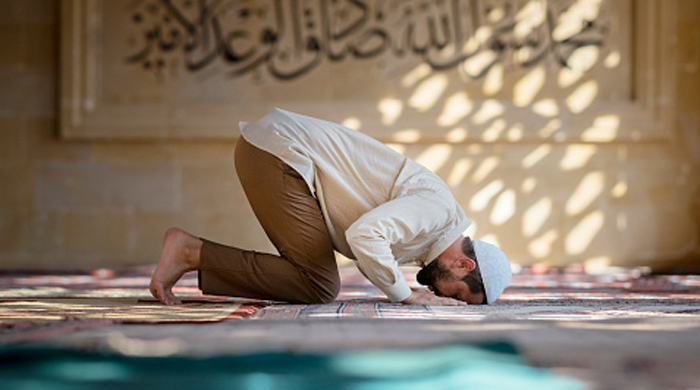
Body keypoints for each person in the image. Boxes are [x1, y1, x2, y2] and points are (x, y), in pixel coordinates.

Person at [150, 108, 512, 306]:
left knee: (318, 283)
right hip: (280, 153)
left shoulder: (428, 238)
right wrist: (405, 296)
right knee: (319, 284)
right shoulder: (437, 212)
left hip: (276, 153)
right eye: (459, 294)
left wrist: (403, 288)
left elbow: (367, 245)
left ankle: (192, 252)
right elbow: (365, 235)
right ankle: (189, 252)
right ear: (464, 264)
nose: (445, 298)